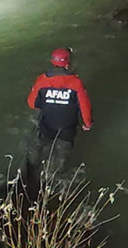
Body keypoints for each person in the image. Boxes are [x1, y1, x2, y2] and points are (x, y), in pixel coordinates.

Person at [26, 48, 93, 185]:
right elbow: (84, 107)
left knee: (36, 148)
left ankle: (29, 175)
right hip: (67, 129)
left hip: (47, 125)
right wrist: (87, 123)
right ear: (68, 63)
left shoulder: (42, 80)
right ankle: (51, 183)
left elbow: (32, 103)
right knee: (60, 158)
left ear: (53, 62)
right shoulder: (76, 83)